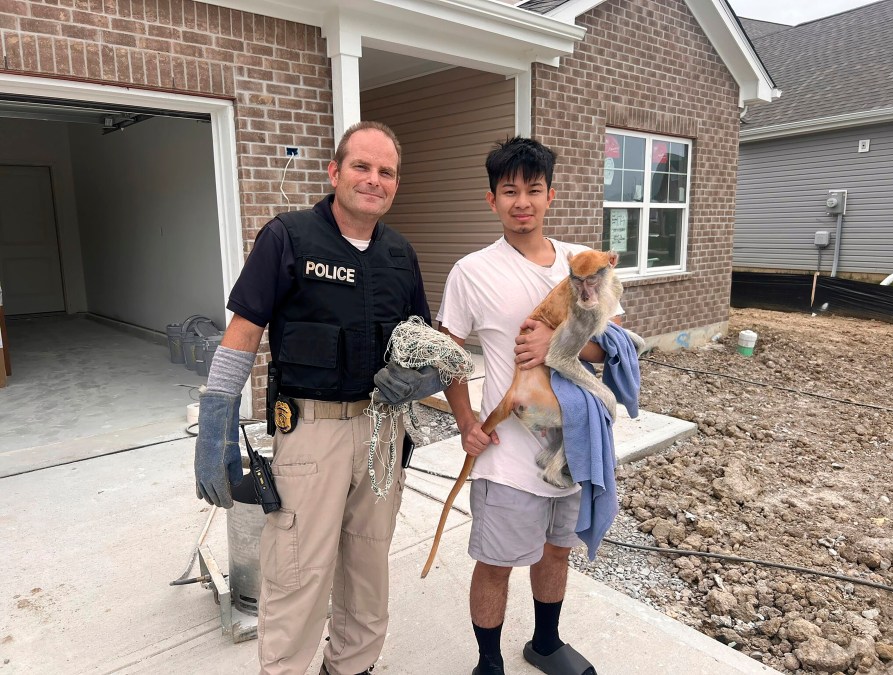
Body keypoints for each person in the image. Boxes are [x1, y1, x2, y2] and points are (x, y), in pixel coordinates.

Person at [193, 121, 435, 675]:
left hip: (381, 434)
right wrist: (215, 432)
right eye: (362, 166)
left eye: (386, 172)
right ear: (334, 172)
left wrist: (419, 380)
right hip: (311, 434)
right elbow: (243, 335)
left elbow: (427, 343)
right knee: (298, 574)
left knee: (368, 571)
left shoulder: (401, 254)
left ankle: (351, 667)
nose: (374, 180)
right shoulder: (289, 237)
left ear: (396, 184)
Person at [436, 137, 622, 675]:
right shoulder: (472, 271)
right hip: (508, 454)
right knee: (495, 563)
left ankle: (544, 643)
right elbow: (448, 351)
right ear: (490, 199)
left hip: (573, 444)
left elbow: (608, 345)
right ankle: (488, 664)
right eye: (509, 190)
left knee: (557, 551)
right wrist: (466, 420)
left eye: (533, 190)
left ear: (550, 195)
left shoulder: (580, 264)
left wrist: (556, 345)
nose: (522, 201)